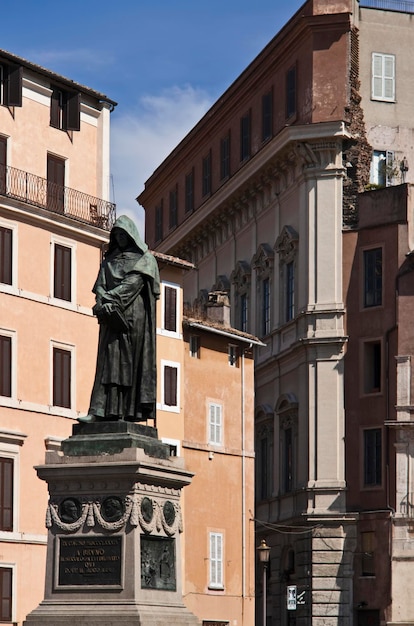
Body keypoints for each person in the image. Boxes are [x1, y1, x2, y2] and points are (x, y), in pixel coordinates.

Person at [79, 215, 160, 423]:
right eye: (117, 234)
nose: (121, 238)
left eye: (124, 234)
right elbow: (99, 287)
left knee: (129, 363)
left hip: (134, 317)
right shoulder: (109, 261)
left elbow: (133, 285)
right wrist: (103, 301)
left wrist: (108, 298)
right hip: (110, 316)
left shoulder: (145, 260)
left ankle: (128, 412)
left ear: (131, 234)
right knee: (108, 363)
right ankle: (99, 411)